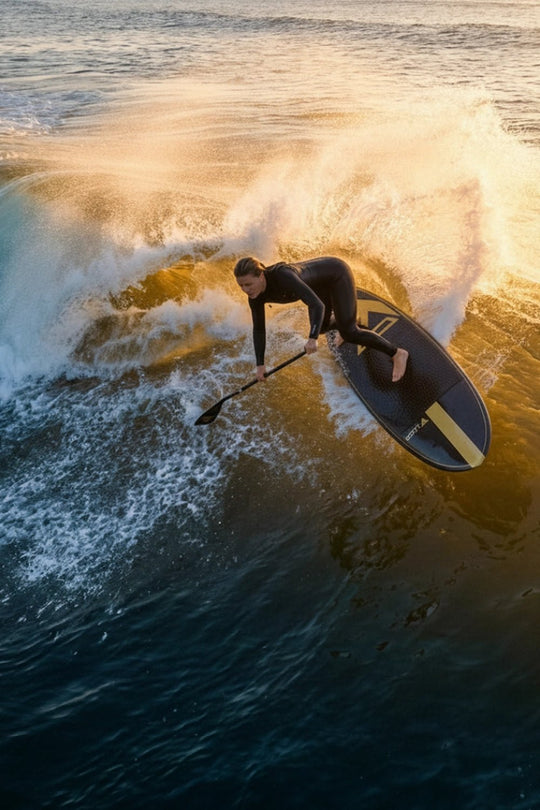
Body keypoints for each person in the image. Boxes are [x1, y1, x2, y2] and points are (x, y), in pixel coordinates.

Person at [234, 255, 408, 382]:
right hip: (319, 286)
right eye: (241, 285)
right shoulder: (255, 297)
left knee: (349, 333)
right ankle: (346, 320)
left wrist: (312, 339)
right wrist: (260, 365)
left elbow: (317, 305)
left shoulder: (283, 276)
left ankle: (396, 353)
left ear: (261, 276)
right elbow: (258, 329)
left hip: (336, 275)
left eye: (248, 284)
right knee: (322, 327)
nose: (245, 290)